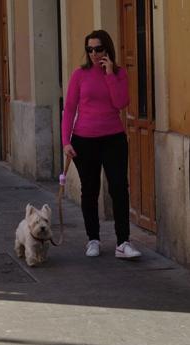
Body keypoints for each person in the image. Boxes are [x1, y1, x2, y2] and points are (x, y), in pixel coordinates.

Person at [62, 30, 141, 259]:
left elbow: (121, 102)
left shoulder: (119, 74)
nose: (94, 54)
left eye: (98, 49)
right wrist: (66, 141)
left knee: (118, 188)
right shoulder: (79, 75)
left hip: (113, 138)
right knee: (90, 190)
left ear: (107, 49)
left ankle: (123, 242)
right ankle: (93, 239)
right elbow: (69, 109)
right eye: (90, 49)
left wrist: (109, 74)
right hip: (84, 140)